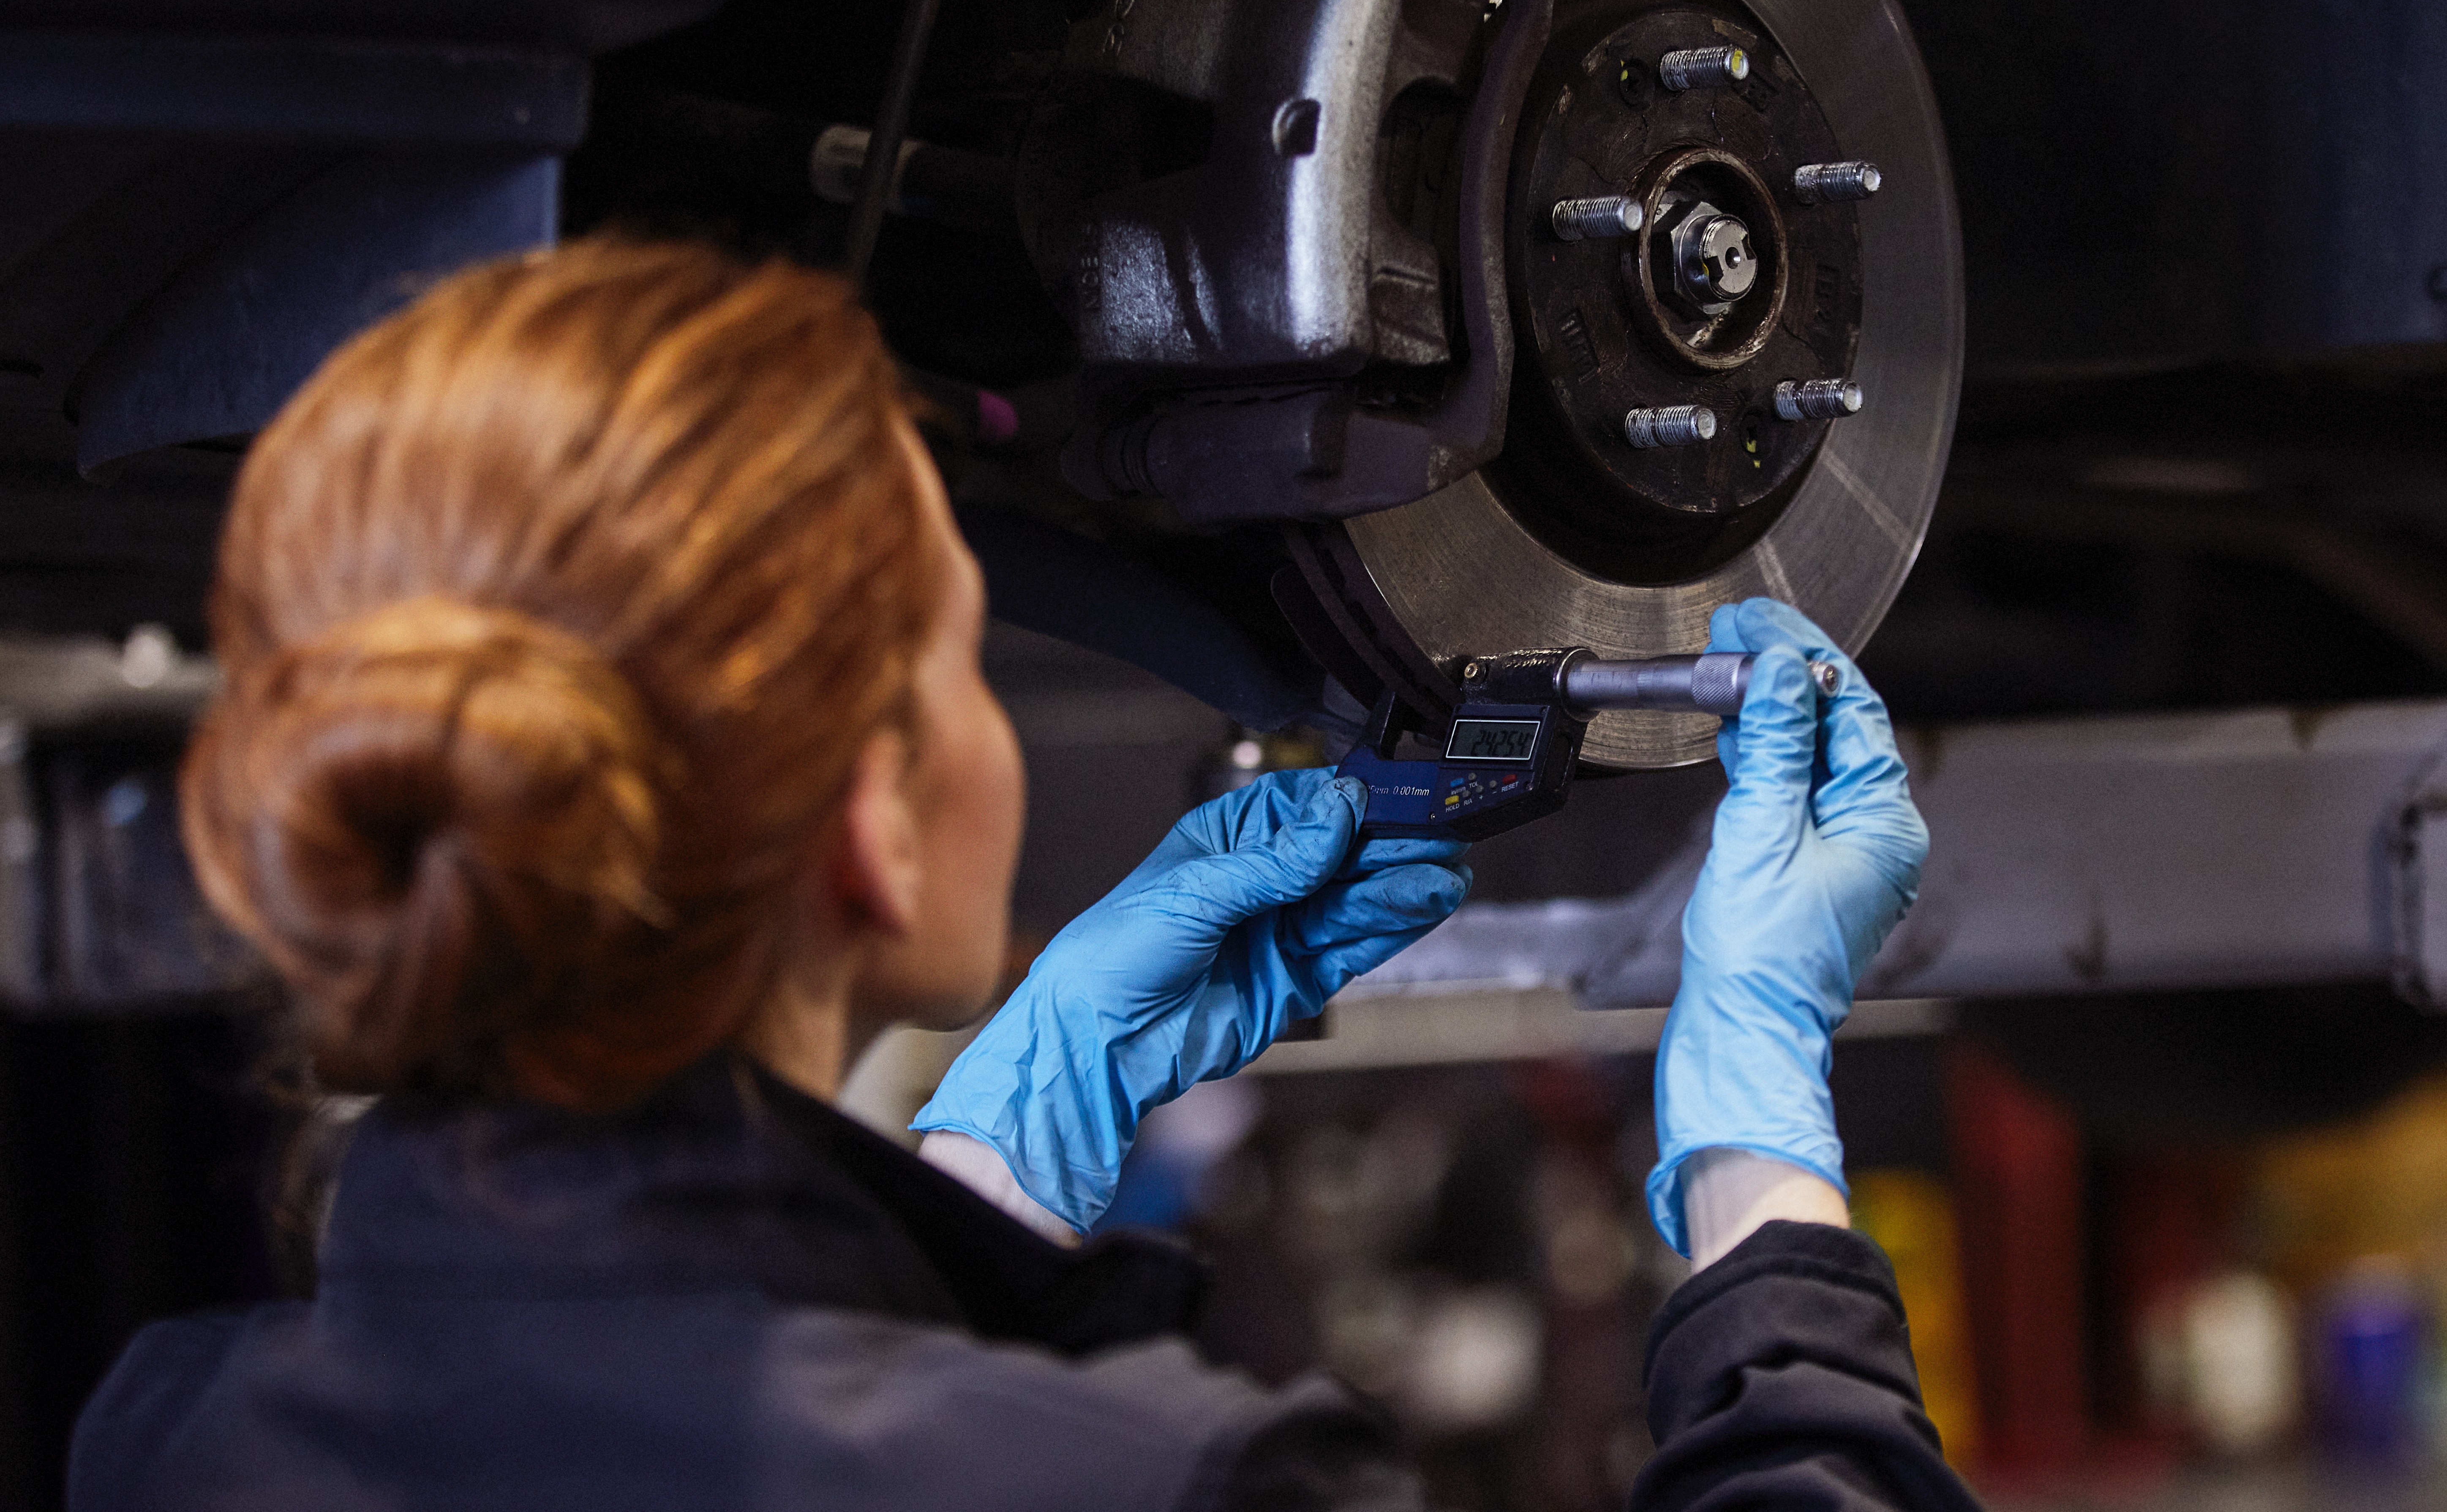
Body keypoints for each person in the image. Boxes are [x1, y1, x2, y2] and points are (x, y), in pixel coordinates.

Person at [71, 238, 1976, 1510]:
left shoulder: (172, 1438)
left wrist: (982, 1183)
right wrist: (1759, 1160)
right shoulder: (1162, 1486)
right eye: (963, 659)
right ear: (873, 831)